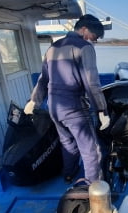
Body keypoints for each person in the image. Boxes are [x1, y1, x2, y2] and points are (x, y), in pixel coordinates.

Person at [24, 14, 110, 184]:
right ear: (84, 29)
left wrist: (33, 101)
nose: (95, 41)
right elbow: (92, 84)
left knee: (68, 143)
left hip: (54, 107)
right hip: (74, 108)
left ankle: (69, 174)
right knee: (91, 151)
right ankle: (94, 189)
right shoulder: (84, 48)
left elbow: (43, 79)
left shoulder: (52, 48)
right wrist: (102, 110)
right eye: (95, 37)